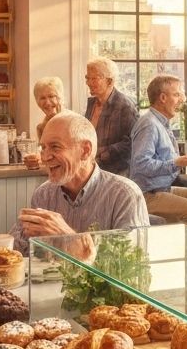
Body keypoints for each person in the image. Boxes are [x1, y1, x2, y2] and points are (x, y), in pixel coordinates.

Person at [11, 111, 148, 253]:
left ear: (85, 151)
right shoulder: (43, 195)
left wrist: (67, 238)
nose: (45, 157)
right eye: (43, 148)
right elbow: (20, 252)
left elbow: (132, 265)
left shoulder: (124, 195)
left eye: (55, 147)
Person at [130, 75, 187, 231]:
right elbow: (141, 165)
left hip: (163, 188)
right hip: (148, 195)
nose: (182, 99)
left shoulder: (160, 123)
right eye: (177, 95)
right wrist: (178, 162)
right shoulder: (149, 124)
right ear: (163, 97)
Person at [84, 56, 137, 176]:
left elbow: (132, 142)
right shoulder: (91, 104)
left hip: (117, 173)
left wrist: (103, 153)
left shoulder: (126, 106)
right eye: (87, 78)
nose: (89, 83)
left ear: (110, 81)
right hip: (93, 169)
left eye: (94, 78)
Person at [33, 76, 64, 141]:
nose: (47, 103)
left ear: (60, 97)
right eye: (42, 98)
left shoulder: (69, 123)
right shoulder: (41, 127)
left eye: (51, 96)